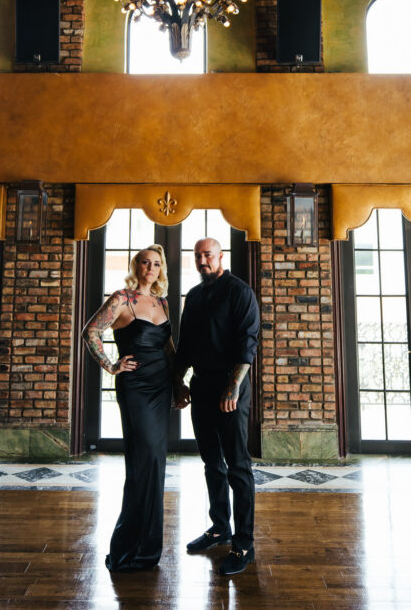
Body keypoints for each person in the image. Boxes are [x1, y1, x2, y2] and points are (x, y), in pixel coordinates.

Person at [82, 245, 175, 572]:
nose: (151, 267)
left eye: (156, 264)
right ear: (136, 267)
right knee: (143, 458)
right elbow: (90, 331)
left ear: (161, 269)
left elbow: (168, 346)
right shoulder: (122, 298)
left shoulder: (162, 302)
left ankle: (147, 547)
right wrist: (110, 364)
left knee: (156, 462)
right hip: (135, 386)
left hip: (162, 385)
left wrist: (179, 384)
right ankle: (126, 547)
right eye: (145, 262)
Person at [174, 236, 260, 577]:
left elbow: (247, 343)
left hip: (231, 388)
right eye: (197, 256)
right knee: (212, 462)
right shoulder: (194, 297)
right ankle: (219, 528)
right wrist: (177, 382)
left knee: (238, 465)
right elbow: (185, 346)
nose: (202, 260)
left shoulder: (240, 292)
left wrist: (232, 388)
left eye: (207, 254)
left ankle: (244, 544)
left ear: (220, 256)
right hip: (201, 386)